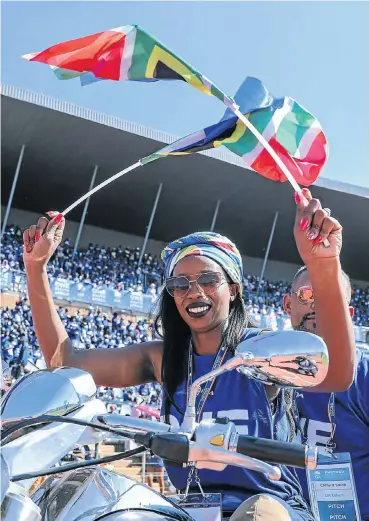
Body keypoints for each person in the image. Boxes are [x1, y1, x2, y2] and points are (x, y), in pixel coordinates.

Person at [23, 189, 355, 521]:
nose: (194, 291)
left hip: (272, 507)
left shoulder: (259, 350)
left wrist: (323, 264)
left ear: (234, 288)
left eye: (209, 279)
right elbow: (63, 361)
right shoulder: (163, 359)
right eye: (180, 283)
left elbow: (337, 374)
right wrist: (35, 266)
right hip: (190, 511)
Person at [283, 265, 369, 520]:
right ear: (288, 304)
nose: (318, 305)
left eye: (332, 297)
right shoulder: (261, 367)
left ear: (348, 314)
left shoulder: (364, 374)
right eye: (308, 294)